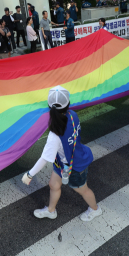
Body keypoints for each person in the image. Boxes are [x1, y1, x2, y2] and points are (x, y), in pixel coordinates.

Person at [21, 86, 102, 222]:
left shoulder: (54, 135)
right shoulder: (73, 115)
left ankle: (95, 209)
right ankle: (51, 211)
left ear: (49, 107)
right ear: (68, 104)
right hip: (65, 162)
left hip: (75, 167)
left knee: (83, 190)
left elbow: (44, 158)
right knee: (54, 185)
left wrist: (29, 175)